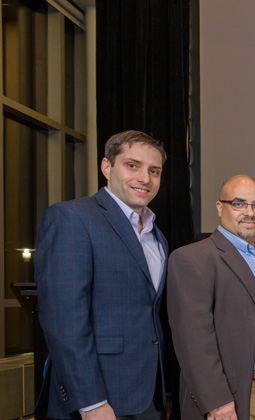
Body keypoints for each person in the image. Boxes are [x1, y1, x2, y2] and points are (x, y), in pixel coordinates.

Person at [35, 130, 170, 420]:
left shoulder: (155, 235)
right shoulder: (72, 218)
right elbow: (64, 321)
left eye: (154, 170)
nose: (145, 178)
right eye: (132, 165)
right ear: (106, 167)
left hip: (146, 397)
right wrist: (91, 402)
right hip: (97, 402)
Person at [167, 175, 255, 420]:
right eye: (239, 203)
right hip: (230, 397)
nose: (250, 212)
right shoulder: (193, 259)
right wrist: (216, 401)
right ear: (220, 207)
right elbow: (193, 340)